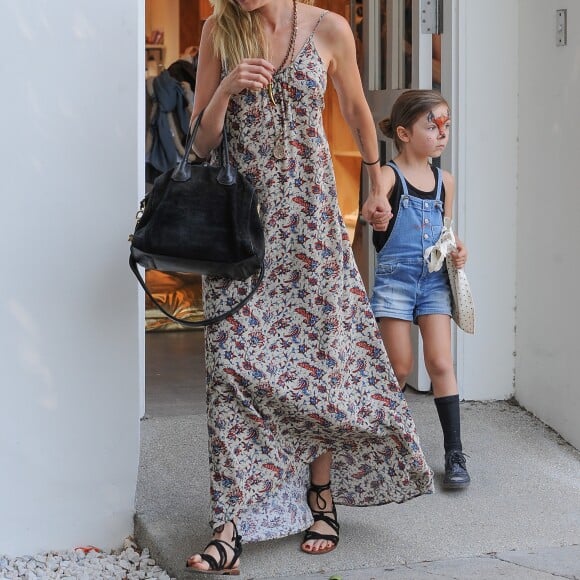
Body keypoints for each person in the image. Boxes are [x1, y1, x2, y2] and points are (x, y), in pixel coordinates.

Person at [186, 1, 433, 574]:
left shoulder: (328, 28)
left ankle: (320, 495)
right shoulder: (218, 30)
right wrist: (225, 89)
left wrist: (378, 186)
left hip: (310, 226)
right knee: (228, 367)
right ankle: (229, 524)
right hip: (239, 232)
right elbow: (199, 143)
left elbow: (353, 109)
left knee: (319, 359)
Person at [368, 89, 471, 493]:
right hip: (395, 281)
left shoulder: (446, 182)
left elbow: (445, 234)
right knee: (399, 368)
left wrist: (459, 248)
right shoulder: (389, 175)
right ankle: (379, 447)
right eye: (432, 125)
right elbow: (374, 210)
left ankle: (455, 453)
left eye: (446, 123)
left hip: (432, 283)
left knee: (442, 364)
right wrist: (376, 216)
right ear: (404, 133)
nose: (442, 132)